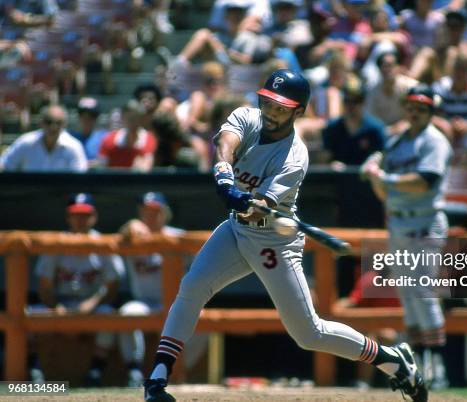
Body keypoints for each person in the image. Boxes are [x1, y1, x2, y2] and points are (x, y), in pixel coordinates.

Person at [142, 69, 428, 402]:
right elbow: (225, 144)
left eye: (282, 107)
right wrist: (225, 178)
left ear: (298, 111)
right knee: (192, 286)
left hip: (273, 241)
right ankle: (157, 380)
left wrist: (249, 202)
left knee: (309, 333)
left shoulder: (295, 155)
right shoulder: (247, 117)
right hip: (237, 229)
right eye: (269, 103)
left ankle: (392, 360)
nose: (272, 112)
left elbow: (261, 205)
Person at [361, 85, 452, 390]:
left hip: (425, 222)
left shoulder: (434, 141)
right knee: (408, 298)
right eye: (411, 106)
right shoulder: (397, 141)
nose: (415, 111)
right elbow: (383, 191)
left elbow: (426, 181)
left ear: (431, 111)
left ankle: (437, 366)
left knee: (424, 295)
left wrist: (384, 177)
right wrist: (375, 176)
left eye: (422, 107)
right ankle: (419, 366)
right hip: (399, 222)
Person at [30, 193, 125, 386]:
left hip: (93, 303)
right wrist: (56, 306)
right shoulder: (56, 242)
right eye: (76, 215)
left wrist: (90, 304)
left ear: (94, 217)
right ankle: (34, 368)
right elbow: (44, 286)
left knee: (111, 315)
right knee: (29, 314)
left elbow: (112, 286)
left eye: (85, 215)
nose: (80, 220)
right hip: (60, 301)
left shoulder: (103, 242)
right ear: (68, 217)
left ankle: (95, 371)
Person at [119, 192, 207, 387]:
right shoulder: (132, 236)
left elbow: (202, 269)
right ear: (140, 213)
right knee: (127, 313)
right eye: (146, 211)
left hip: (177, 302)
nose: (151, 216)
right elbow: (120, 236)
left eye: (156, 211)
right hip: (145, 303)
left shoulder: (178, 236)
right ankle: (134, 370)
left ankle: (175, 371)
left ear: (165, 213)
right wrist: (128, 227)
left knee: (203, 321)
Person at [321, 77, 386, 170]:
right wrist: (331, 164)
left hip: (367, 182)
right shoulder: (332, 128)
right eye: (348, 101)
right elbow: (324, 160)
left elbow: (383, 159)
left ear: (363, 102)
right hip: (339, 181)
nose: (351, 106)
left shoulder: (375, 128)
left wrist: (373, 164)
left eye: (356, 101)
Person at [0, 105, 87, 172]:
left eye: (58, 123)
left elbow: (80, 179)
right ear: (41, 123)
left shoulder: (74, 147)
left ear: (64, 125)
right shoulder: (26, 142)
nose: (53, 127)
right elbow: (5, 165)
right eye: (48, 122)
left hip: (63, 194)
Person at [97, 100, 158, 171]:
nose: (132, 121)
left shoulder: (149, 138)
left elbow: (147, 166)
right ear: (123, 118)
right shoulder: (109, 139)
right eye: (129, 117)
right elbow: (101, 168)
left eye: (135, 117)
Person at [70, 97, 109, 165]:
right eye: (83, 115)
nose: (87, 118)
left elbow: (107, 161)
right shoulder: (71, 138)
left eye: (92, 115)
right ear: (79, 117)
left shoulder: (105, 138)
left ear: (97, 117)